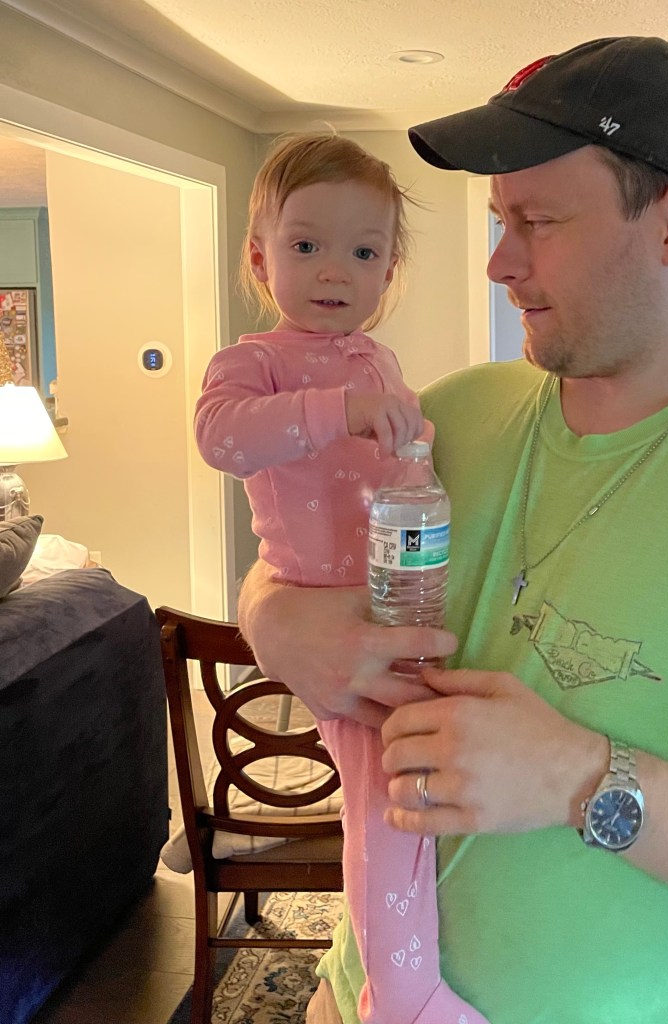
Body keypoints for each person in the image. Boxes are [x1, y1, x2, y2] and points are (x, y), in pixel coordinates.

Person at [238, 38, 668, 1024]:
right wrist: (271, 618)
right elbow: (290, 562)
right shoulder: (446, 418)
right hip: (356, 997)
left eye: (536, 222)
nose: (499, 262)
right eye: (500, 221)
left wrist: (583, 779)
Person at [195, 132, 487, 1024]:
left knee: (421, 789)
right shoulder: (255, 360)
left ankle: (411, 969)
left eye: (364, 252)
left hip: (398, 598)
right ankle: (403, 997)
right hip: (328, 619)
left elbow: (397, 474)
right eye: (306, 244)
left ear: (389, 269)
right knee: (382, 811)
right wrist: (340, 412)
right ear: (260, 257)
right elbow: (222, 437)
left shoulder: (376, 361)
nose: (335, 270)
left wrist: (413, 449)